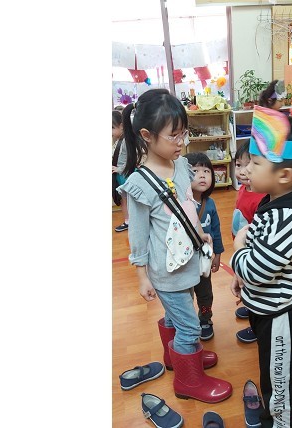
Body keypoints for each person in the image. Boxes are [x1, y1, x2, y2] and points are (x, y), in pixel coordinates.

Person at [117, 89, 232, 404]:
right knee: (190, 326)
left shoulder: (180, 165)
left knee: (177, 316)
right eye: (174, 135)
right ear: (146, 135)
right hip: (166, 271)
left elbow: (188, 204)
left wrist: (201, 233)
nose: (182, 142)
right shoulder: (140, 184)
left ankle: (176, 356)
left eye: (184, 133)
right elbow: (138, 234)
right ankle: (188, 380)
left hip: (188, 259)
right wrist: (142, 276)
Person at [230, 105, 292, 427]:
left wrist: (238, 252)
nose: (247, 169)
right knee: (283, 367)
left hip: (279, 313)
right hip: (268, 306)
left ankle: (281, 421)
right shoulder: (274, 201)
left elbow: (257, 270)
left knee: (277, 382)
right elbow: (262, 256)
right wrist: (244, 275)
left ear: (284, 176)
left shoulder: (288, 216)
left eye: (256, 163)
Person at [183, 152, 224, 341]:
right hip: (184, 260)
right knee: (185, 294)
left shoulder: (210, 203)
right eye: (195, 171)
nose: (202, 175)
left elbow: (216, 230)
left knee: (205, 293)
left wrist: (218, 254)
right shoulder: (180, 203)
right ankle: (186, 321)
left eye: (206, 171)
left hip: (204, 261)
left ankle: (205, 319)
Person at [231, 139, 266, 343]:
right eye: (238, 165)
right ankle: (248, 304)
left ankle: (256, 326)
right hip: (241, 247)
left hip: (251, 253)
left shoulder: (262, 197)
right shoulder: (243, 189)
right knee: (244, 284)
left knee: (253, 285)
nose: (243, 171)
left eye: (249, 164)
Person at [112, 110, 129, 232]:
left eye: (112, 128)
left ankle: (129, 221)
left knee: (127, 200)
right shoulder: (118, 140)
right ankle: (128, 220)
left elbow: (134, 161)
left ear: (122, 126)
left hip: (125, 175)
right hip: (119, 175)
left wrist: (119, 169)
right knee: (123, 200)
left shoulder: (126, 141)